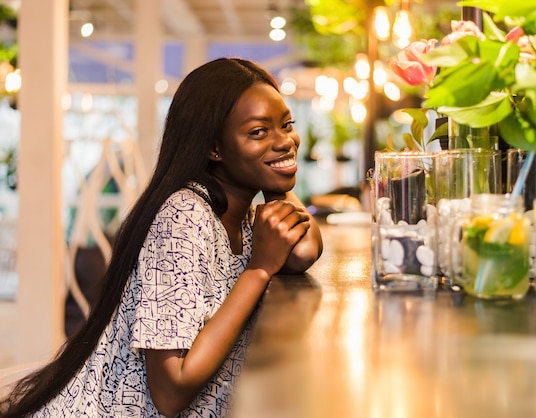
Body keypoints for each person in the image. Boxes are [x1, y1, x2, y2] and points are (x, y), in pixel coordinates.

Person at [0, 57, 323, 417]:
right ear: (214, 147)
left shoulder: (246, 217)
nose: (286, 141)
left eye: (287, 124)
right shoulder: (184, 216)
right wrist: (259, 269)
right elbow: (170, 392)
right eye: (259, 132)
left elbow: (304, 252)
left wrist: (276, 180)